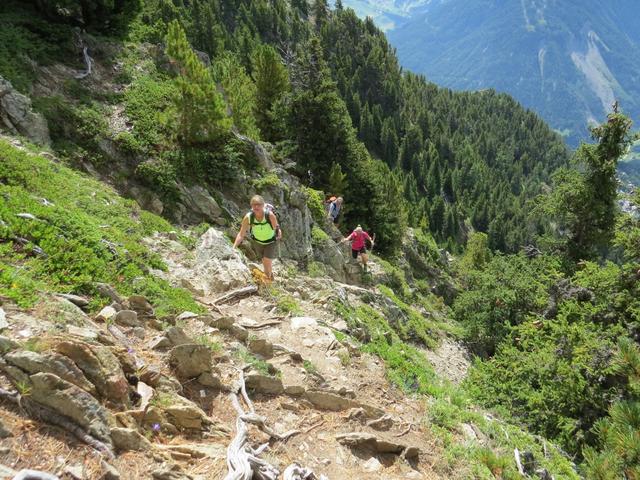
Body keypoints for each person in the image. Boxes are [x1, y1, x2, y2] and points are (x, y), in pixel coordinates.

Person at [233, 195, 282, 280]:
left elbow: (276, 228)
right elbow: (241, 234)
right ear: (251, 206)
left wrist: (278, 235)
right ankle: (271, 277)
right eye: (254, 204)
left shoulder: (269, 215)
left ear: (263, 205)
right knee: (264, 262)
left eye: (258, 204)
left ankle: (267, 284)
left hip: (270, 242)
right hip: (257, 242)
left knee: (267, 261)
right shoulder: (248, 217)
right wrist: (233, 247)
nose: (256, 206)